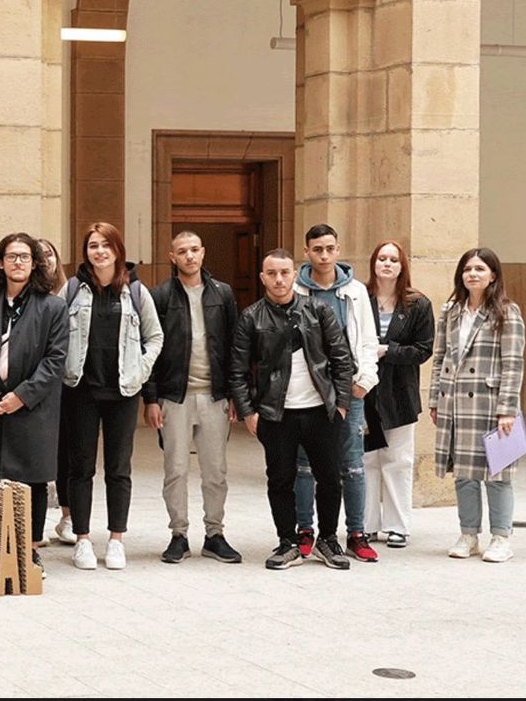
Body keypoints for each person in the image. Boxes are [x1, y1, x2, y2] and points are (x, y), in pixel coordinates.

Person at [231, 249, 355, 571]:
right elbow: (238, 370)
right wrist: (248, 412)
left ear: (294, 274)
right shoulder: (251, 317)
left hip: (320, 411)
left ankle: (328, 539)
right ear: (262, 278)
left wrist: (340, 404)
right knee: (280, 480)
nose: (279, 279)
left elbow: (342, 360)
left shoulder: (319, 310)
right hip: (276, 414)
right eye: (271, 273)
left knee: (329, 479)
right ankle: (287, 542)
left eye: (284, 272)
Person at [61, 222, 163, 570]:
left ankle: (117, 540)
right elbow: (56, 334)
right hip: (80, 390)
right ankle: (83, 539)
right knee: (81, 467)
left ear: (118, 250)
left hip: (122, 392)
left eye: (106, 245)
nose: (99, 251)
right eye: (93, 245)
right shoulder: (73, 289)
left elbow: (155, 337)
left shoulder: (136, 292)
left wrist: (140, 370)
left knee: (119, 468)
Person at [142, 232, 242, 565]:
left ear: (203, 252)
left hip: (213, 396)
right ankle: (178, 535)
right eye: (182, 252)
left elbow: (234, 347)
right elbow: (151, 349)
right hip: (175, 396)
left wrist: (234, 394)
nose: (189, 256)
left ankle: (215, 534)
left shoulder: (223, 294)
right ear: (172, 257)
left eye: (194, 250)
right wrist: (151, 398)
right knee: (176, 470)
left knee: (216, 471)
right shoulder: (160, 296)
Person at [0, 233, 68, 573]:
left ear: (34, 263)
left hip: (33, 408)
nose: (17, 262)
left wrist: (21, 397)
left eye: (24, 257)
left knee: (33, 481)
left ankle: (29, 551)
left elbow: (55, 361)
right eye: (11, 256)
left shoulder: (53, 306)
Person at [294, 224, 381, 562]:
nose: (325, 255)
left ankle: (356, 534)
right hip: (308, 391)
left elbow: (368, 340)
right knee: (304, 464)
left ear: (338, 248)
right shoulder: (298, 289)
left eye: (330, 248)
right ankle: (305, 531)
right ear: (307, 251)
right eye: (318, 249)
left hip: (349, 390)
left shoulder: (356, 291)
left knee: (353, 465)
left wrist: (364, 382)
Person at [431, 248, 525, 563]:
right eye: (467, 269)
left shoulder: (507, 312)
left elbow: (513, 364)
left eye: (480, 269)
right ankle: (468, 534)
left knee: (498, 473)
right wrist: (435, 399)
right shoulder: (451, 311)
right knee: (464, 474)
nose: (472, 274)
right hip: (456, 402)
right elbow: (439, 357)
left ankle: (501, 537)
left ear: (493, 275)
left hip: (491, 404)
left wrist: (507, 409)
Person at [363, 240, 433, 548]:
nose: (387, 264)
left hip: (400, 393)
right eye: (382, 259)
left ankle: (397, 526)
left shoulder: (418, 304)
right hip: (364, 392)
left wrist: (387, 351)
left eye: (393, 259)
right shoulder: (360, 298)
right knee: (365, 461)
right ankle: (364, 525)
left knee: (398, 459)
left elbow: (423, 350)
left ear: (402, 266)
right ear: (374, 264)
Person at [36, 235, 72, 539]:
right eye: (39, 254)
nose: (45, 259)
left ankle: (68, 516)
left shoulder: (69, 291)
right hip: (35, 385)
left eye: (49, 253)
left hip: (66, 383)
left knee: (66, 453)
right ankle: (36, 523)